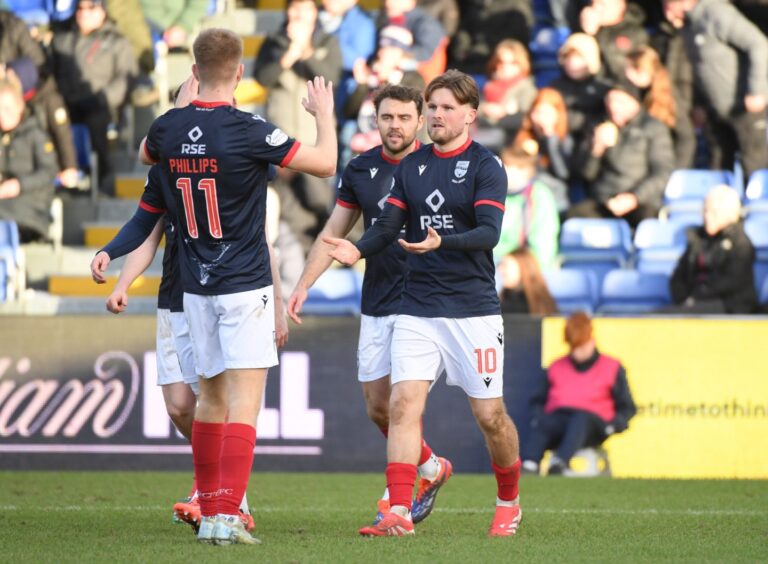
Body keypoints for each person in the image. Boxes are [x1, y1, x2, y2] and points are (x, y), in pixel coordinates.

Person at [93, 28, 337, 545]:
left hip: (195, 287)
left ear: (194, 70)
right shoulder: (250, 129)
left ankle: (210, 511)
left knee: (209, 400)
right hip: (243, 282)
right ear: (242, 73)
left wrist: (183, 110)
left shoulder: (166, 130)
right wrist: (324, 116)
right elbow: (326, 164)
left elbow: (145, 151)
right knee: (243, 404)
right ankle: (226, 514)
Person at [325, 69, 523, 538]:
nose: (435, 115)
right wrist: (358, 248)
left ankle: (508, 501)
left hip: (472, 309)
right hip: (416, 306)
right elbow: (387, 226)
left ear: (470, 115)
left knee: (490, 417)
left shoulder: (486, 166)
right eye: (431, 107)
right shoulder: (412, 166)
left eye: (446, 108)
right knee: (402, 404)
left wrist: (442, 243)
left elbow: (489, 234)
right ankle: (398, 509)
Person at [288, 83, 452, 527]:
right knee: (377, 406)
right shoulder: (359, 170)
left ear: (420, 120)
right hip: (378, 299)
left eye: (403, 118)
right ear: (375, 121)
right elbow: (334, 231)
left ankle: (395, 505)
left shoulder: (439, 167)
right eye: (386, 118)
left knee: (402, 405)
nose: (394, 126)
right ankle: (432, 468)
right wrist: (304, 283)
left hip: (427, 301)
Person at [94, 165, 256, 534]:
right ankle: (218, 491)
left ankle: (228, 499)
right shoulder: (166, 169)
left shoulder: (221, 161)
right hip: (172, 300)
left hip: (213, 296)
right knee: (179, 406)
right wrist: (123, 282)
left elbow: (259, 237)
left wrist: (275, 300)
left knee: (213, 401)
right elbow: (149, 236)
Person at [663, 0, 768, 180]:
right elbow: (699, 71)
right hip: (716, 111)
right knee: (717, 169)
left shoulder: (715, 13)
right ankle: (719, 208)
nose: (666, 13)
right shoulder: (687, 27)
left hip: (744, 107)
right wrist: (699, 105)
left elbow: (758, 44)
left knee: (754, 167)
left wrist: (757, 90)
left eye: (668, 5)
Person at [522, 311, 636, 475]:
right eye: (573, 347)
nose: (577, 352)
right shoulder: (556, 366)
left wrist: (613, 425)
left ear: (591, 340)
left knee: (581, 418)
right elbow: (538, 401)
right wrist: (538, 417)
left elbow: (627, 407)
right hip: (560, 421)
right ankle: (529, 464)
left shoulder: (612, 367)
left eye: (581, 346)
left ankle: (560, 463)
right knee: (545, 423)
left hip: (595, 426)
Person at [50, 0, 137, 189]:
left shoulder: (117, 42)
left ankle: (102, 176)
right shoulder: (62, 40)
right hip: (66, 103)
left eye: (91, 8)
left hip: (101, 104)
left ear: (102, 12)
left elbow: (125, 79)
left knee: (96, 118)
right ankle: (62, 175)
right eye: (80, 8)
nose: (84, 13)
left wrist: (103, 98)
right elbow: (51, 77)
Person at [568, 83, 674, 228]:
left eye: (620, 101)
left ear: (634, 102)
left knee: (647, 223)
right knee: (571, 219)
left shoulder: (653, 127)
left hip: (640, 201)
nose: (614, 107)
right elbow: (586, 174)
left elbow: (662, 172)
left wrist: (634, 197)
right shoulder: (599, 125)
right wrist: (597, 148)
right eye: (610, 101)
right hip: (604, 200)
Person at [669, 185, 758, 314]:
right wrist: (683, 298)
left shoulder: (740, 243)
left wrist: (697, 295)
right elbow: (678, 275)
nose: (708, 216)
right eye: (705, 211)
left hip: (729, 307)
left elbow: (731, 281)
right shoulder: (697, 239)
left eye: (714, 212)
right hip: (693, 304)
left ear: (731, 213)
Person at [0, 76, 58, 242]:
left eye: (6, 108)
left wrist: (19, 185)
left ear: (19, 106)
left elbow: (49, 172)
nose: (2, 114)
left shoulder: (35, 134)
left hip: (31, 209)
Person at [625, 46, 696, 169]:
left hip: (666, 162)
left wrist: (675, 171)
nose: (625, 73)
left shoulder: (668, 95)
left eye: (628, 69)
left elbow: (687, 138)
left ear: (641, 71)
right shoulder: (634, 91)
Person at [494, 141, 560, 273]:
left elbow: (543, 247)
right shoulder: (488, 194)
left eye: (517, 167)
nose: (508, 171)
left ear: (528, 170)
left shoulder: (540, 196)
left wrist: (520, 268)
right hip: (491, 267)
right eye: (505, 165)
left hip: (526, 270)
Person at [513, 88, 574, 212]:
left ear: (558, 115)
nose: (541, 118)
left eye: (546, 114)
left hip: (553, 198)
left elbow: (563, 173)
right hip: (523, 196)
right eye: (537, 112)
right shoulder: (525, 136)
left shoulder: (564, 139)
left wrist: (550, 138)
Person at [579, 0, 649, 84]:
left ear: (619, 5)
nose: (596, 8)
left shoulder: (635, 33)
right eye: (593, 4)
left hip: (622, 88)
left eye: (602, 4)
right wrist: (588, 35)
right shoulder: (588, 29)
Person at [497, 248, 559, 315]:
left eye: (505, 265)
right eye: (500, 265)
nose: (499, 269)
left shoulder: (541, 304)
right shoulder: (500, 301)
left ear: (523, 268)